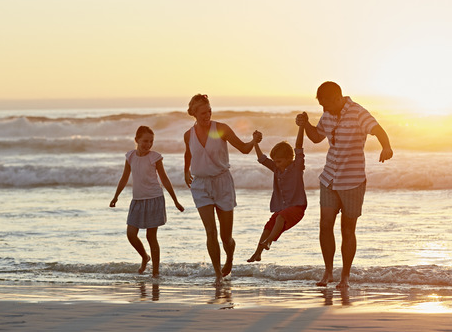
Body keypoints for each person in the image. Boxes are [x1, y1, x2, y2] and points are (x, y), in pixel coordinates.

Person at [296, 82, 393, 289]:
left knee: (347, 230)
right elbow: (315, 137)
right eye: (321, 105)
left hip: (353, 181)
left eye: (326, 104)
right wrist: (305, 124)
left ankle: (345, 277)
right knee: (325, 225)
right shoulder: (328, 115)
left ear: (337, 98)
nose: (324, 109)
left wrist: (386, 147)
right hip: (329, 178)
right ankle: (328, 272)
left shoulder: (358, 113)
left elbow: (378, 130)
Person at [184, 93, 261, 285]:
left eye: (209, 111)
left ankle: (229, 258)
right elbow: (188, 152)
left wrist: (254, 141)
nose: (207, 115)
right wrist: (186, 170)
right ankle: (218, 274)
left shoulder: (220, 129)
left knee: (225, 237)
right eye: (202, 112)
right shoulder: (188, 134)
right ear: (194, 113)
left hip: (222, 183)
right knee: (210, 231)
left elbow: (244, 149)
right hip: (200, 185)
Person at [110, 125, 184, 278]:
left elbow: (164, 179)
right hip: (137, 200)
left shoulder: (155, 157)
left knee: (151, 237)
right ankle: (145, 256)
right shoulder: (130, 156)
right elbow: (124, 177)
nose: (148, 145)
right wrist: (116, 196)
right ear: (136, 140)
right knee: (131, 234)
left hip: (154, 199)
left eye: (151, 141)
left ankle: (156, 273)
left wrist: (175, 201)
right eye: (144, 141)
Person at [247, 124, 307, 263]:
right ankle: (257, 253)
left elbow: (299, 146)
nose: (277, 164)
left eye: (279, 161)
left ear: (289, 158)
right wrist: (255, 143)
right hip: (283, 208)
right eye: (275, 161)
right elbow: (262, 158)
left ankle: (268, 242)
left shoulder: (296, 166)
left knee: (280, 217)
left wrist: (301, 127)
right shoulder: (276, 168)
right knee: (268, 226)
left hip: (297, 207)